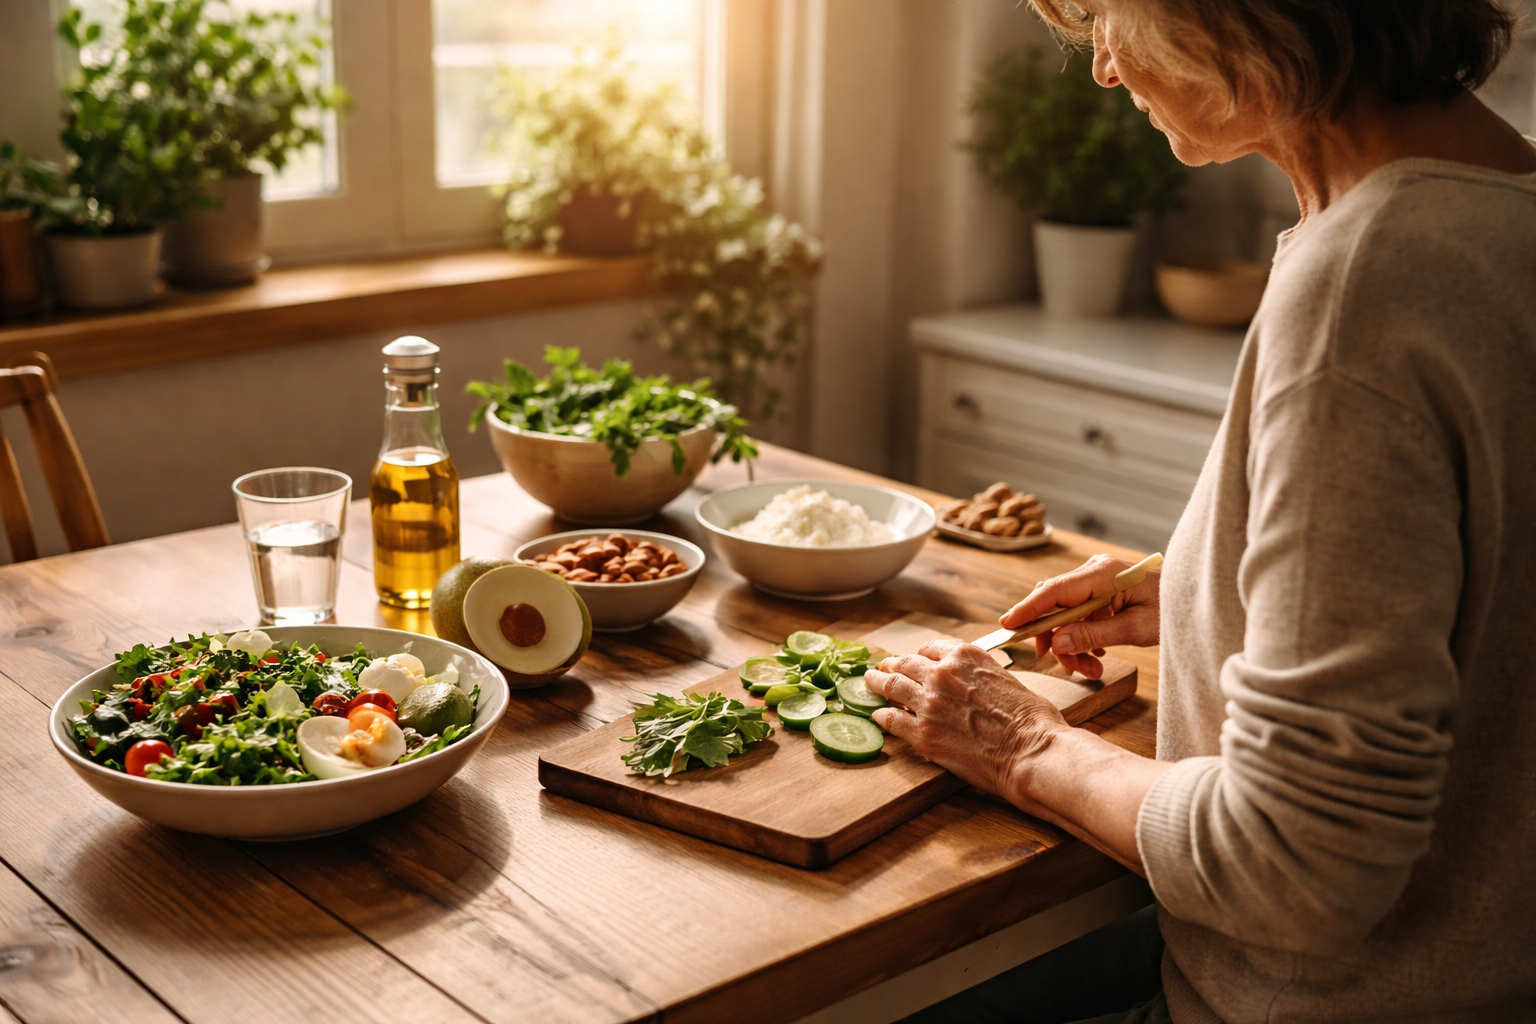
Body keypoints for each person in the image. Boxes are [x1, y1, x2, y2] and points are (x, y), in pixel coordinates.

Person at [873, 2, 1536, 1022]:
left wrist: (1024, 746)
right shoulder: (1503, 210)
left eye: (1103, 13)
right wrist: (1201, 586)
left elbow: (1295, 863)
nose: (1102, 66)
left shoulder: (1369, 276)